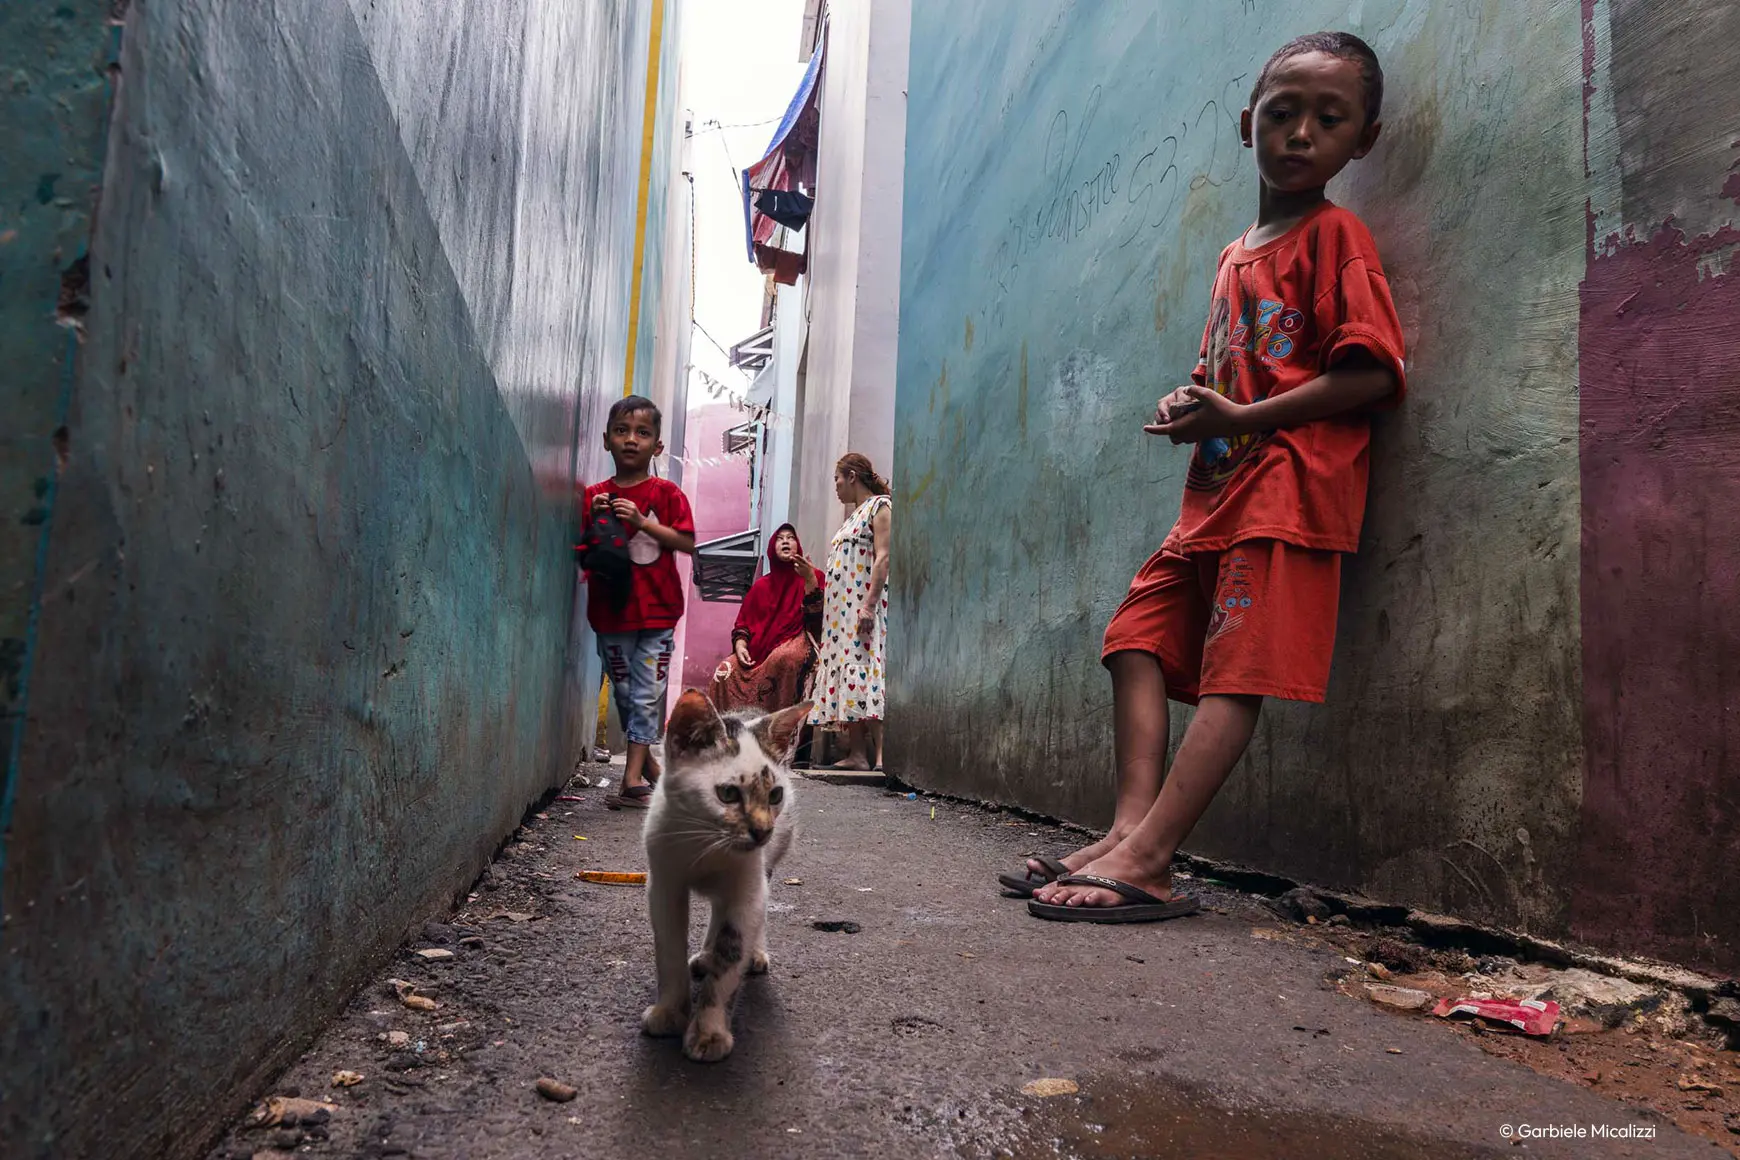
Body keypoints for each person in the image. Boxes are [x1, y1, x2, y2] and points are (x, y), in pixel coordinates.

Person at [1021, 32, 1406, 921]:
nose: (1302, 133)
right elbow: (1236, 369)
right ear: (1247, 125)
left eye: (1329, 118)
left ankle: (1152, 861)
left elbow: (1375, 373)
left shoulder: (1337, 237)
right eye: (1283, 113)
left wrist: (1237, 418)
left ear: (1364, 139)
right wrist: (1196, 401)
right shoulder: (1237, 252)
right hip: (1217, 492)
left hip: (1290, 490)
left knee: (1236, 676)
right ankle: (1126, 833)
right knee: (1136, 638)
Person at [581, 395, 696, 809]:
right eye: (622, 431)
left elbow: (687, 541)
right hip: (610, 615)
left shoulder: (666, 494)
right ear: (607, 440)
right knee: (626, 695)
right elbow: (582, 553)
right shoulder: (593, 495)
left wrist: (643, 522)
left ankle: (630, 780)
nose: (631, 440)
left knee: (647, 692)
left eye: (643, 433)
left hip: (659, 613)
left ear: (657, 447)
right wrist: (596, 517)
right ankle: (651, 771)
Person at [809, 453, 892, 771]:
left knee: (867, 669)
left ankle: (883, 756)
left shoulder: (879, 507)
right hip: (840, 617)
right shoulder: (852, 517)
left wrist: (869, 606)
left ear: (853, 475)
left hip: (862, 608)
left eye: (837, 480)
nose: (836, 487)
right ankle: (857, 754)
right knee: (849, 671)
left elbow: (883, 557)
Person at [708, 524, 824, 713]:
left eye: (790, 537)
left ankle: (781, 734)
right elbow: (742, 624)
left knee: (784, 659)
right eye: (780, 538)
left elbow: (818, 620)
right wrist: (740, 645)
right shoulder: (761, 586)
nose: (785, 541)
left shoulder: (814, 576)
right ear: (771, 547)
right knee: (725, 669)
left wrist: (810, 580)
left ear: (798, 545)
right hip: (757, 653)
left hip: (797, 640)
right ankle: (725, 735)